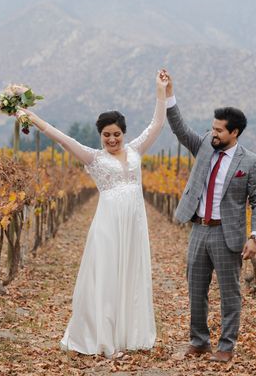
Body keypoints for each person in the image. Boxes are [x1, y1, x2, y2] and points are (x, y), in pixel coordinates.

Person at [16, 70, 169, 358]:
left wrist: (160, 91)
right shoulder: (93, 158)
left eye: (117, 134)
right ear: (100, 136)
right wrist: (33, 118)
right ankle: (101, 337)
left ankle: (128, 333)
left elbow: (157, 123)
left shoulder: (136, 150)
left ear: (124, 133)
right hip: (109, 225)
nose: (112, 139)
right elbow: (61, 138)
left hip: (134, 225)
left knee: (131, 273)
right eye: (107, 135)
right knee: (107, 275)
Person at [164, 71, 256, 363]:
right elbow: (180, 129)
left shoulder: (250, 162)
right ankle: (199, 342)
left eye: (220, 130)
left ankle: (226, 346)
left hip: (227, 235)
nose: (214, 134)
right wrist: (169, 94)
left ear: (234, 133)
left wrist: (255, 236)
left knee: (230, 294)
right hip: (199, 230)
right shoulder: (204, 147)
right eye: (212, 129)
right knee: (196, 290)